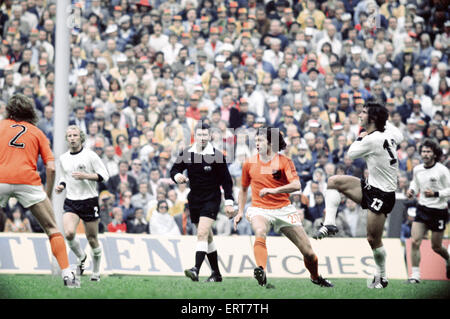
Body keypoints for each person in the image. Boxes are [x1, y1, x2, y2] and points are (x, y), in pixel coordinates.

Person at [314, 102, 404, 289]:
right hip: (371, 187)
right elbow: (399, 134)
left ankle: (382, 277)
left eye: (363, 113)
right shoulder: (390, 133)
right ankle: (330, 223)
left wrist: (361, 136)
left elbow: (351, 153)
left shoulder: (372, 140)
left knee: (372, 239)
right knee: (333, 181)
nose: (359, 115)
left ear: (372, 119)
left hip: (383, 195)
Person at [233, 126, 333, 288]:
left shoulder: (284, 161)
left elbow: (296, 185)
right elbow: (243, 190)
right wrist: (239, 211)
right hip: (259, 208)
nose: (257, 143)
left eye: (260, 140)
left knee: (309, 253)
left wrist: (274, 190)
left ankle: (315, 277)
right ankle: (261, 270)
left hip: (283, 209)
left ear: (271, 143)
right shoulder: (249, 163)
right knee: (260, 231)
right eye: (256, 140)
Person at [0, 94, 79, 288]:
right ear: (31, 112)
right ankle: (68, 276)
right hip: (29, 181)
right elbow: (51, 167)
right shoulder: (37, 132)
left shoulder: (0, 126)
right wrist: (48, 194)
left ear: (9, 111)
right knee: (52, 229)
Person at [170, 122, 235, 283]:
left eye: (205, 135)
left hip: (212, 199)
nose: (203, 138)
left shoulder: (217, 155)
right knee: (208, 237)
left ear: (210, 136)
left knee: (201, 233)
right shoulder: (187, 153)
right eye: (200, 135)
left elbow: (227, 181)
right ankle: (217, 274)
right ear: (195, 136)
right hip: (195, 199)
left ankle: (195, 269)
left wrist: (229, 202)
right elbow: (174, 170)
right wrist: (177, 177)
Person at [55, 125, 110, 282]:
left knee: (92, 239)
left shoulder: (90, 156)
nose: (72, 138)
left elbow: (104, 175)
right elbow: (64, 177)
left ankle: (96, 272)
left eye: (75, 135)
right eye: (69, 136)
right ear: (67, 139)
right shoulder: (63, 158)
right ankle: (82, 256)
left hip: (89, 200)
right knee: (69, 233)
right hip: (71, 201)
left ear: (81, 138)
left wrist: (85, 176)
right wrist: (61, 186)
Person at [406, 139, 450, 283]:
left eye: (428, 151)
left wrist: (436, 194)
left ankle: (448, 259)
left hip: (439, 211)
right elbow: (415, 183)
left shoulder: (442, 170)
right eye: (423, 151)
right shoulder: (418, 169)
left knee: (436, 246)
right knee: (414, 241)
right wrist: (412, 190)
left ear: (435, 154)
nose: (425, 154)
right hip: (422, 209)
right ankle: (415, 276)